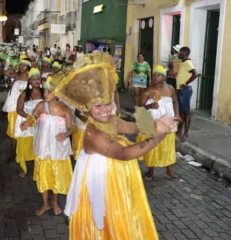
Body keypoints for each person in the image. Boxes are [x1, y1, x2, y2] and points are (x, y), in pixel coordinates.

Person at [54, 53, 177, 239]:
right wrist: (159, 136)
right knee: (107, 222)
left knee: (122, 214)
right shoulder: (93, 134)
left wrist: (158, 122)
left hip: (116, 180)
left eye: (106, 104)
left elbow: (135, 126)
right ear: (88, 108)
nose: (104, 110)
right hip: (102, 183)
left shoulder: (111, 119)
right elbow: (125, 154)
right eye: (98, 106)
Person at [19, 75, 73, 216]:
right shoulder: (41, 106)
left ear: (57, 93)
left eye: (49, 91)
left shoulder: (64, 109)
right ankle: (46, 204)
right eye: (45, 91)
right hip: (43, 146)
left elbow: (71, 128)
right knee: (43, 175)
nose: (45, 94)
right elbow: (32, 118)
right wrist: (25, 124)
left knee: (56, 175)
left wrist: (65, 135)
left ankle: (55, 201)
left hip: (57, 148)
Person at [138, 65, 181, 181]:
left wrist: (177, 114)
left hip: (168, 121)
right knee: (152, 145)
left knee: (168, 146)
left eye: (158, 75)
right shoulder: (148, 91)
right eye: (154, 75)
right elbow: (140, 107)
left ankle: (169, 171)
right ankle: (150, 171)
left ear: (163, 77)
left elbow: (175, 102)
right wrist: (150, 105)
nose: (155, 77)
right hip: (154, 123)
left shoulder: (170, 89)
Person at [14, 68, 44, 177]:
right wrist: (30, 118)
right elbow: (19, 109)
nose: (36, 81)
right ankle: (23, 167)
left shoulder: (45, 93)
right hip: (27, 123)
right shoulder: (24, 94)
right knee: (25, 146)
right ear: (29, 81)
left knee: (39, 145)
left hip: (41, 124)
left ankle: (39, 167)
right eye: (34, 79)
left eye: (38, 79)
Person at [2, 58, 31, 161]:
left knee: (24, 130)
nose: (21, 67)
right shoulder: (16, 76)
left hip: (25, 109)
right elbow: (6, 72)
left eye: (24, 65)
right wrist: (15, 67)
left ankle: (23, 153)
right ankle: (13, 153)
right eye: (20, 65)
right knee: (13, 130)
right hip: (13, 107)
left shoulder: (30, 78)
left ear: (28, 67)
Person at [176, 47, 198, 142]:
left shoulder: (188, 63)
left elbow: (195, 74)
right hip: (180, 90)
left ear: (184, 53)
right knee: (181, 112)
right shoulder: (183, 63)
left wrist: (186, 83)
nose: (178, 53)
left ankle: (186, 134)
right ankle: (179, 131)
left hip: (185, 91)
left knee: (186, 112)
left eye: (179, 52)